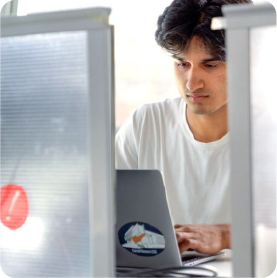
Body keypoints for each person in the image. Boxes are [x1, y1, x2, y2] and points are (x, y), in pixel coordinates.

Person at [115, 0, 252, 255]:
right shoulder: (145, 124)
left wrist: (225, 235)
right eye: (182, 64)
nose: (191, 84)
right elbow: (98, 213)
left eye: (210, 65)